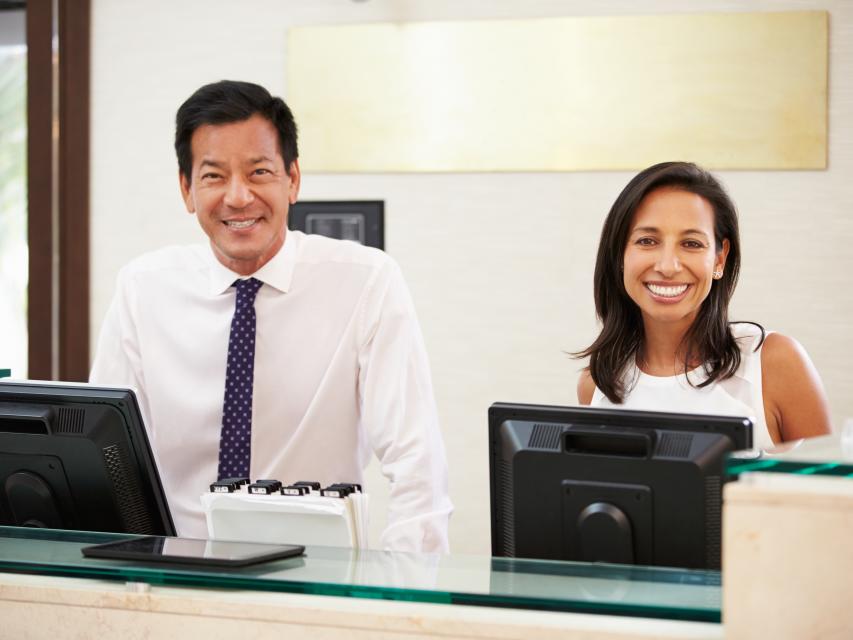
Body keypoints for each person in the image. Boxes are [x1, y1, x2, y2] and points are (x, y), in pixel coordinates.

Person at [90, 80, 452, 552]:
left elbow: (416, 460)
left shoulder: (366, 281)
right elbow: (105, 453)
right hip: (180, 571)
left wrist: (404, 596)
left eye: (259, 172)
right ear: (187, 189)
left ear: (293, 179)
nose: (238, 197)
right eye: (214, 176)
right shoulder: (142, 288)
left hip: (319, 577)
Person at [576, 161, 831, 447]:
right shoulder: (597, 382)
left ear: (719, 259)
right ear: (620, 255)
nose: (668, 266)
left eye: (692, 244)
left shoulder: (774, 361)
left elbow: (832, 488)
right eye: (647, 241)